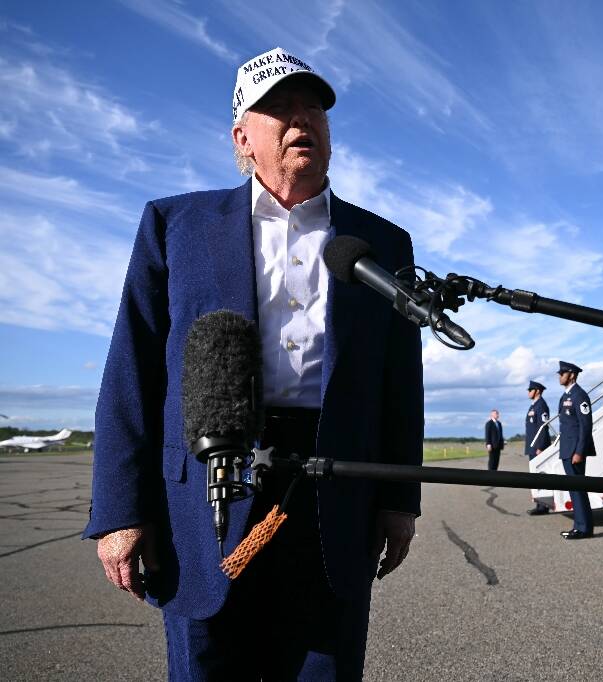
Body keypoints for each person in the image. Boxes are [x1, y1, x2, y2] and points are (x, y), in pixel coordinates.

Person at [83, 47, 424, 679]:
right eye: (280, 108)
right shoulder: (175, 224)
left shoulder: (381, 243)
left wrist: (399, 498)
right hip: (205, 489)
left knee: (324, 665)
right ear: (243, 136)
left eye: (314, 107)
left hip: (333, 485)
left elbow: (398, 385)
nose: (303, 119)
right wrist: (120, 511)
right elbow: (132, 368)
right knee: (210, 664)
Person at [556, 361, 595, 539]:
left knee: (578, 489)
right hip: (567, 449)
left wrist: (579, 451)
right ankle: (578, 526)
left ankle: (584, 528)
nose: (559, 376)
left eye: (562, 373)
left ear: (571, 374)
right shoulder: (566, 396)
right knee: (574, 489)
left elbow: (585, 426)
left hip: (574, 451)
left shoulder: (579, 395)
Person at [524, 380, 552, 515]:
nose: (528, 392)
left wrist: (540, 446)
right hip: (533, 446)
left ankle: (543, 506)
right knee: (536, 476)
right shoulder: (533, 406)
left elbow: (543, 427)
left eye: (530, 390)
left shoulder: (541, 406)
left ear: (537, 391)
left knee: (540, 476)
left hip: (538, 447)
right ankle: (540, 504)